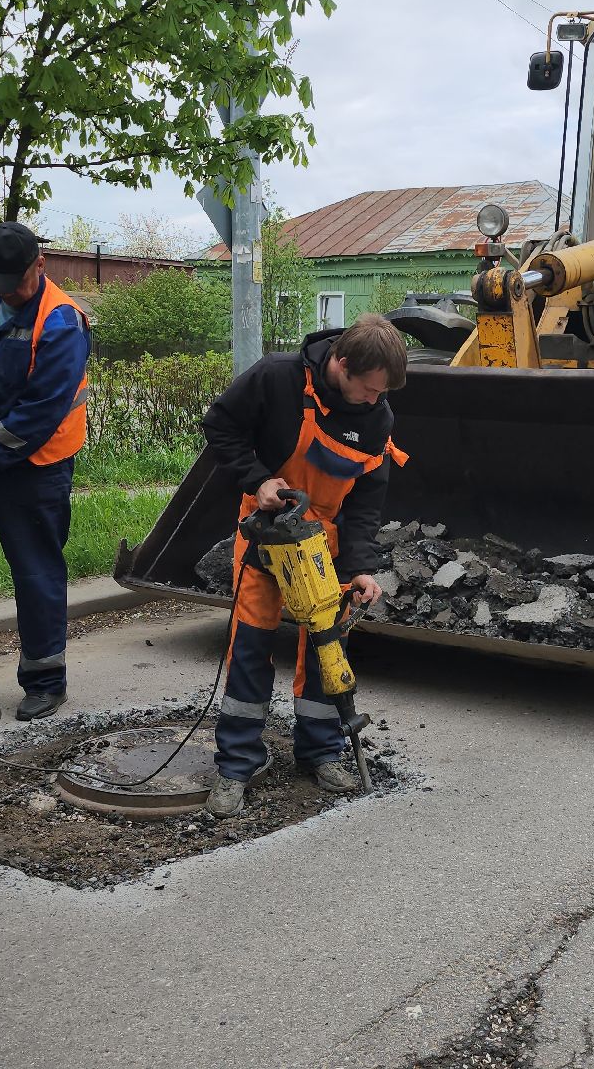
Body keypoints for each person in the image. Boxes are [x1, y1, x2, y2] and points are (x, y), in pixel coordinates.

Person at [198, 313, 410, 818]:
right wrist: (258, 480)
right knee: (251, 647)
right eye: (368, 389)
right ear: (341, 364)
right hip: (266, 534)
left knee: (325, 653)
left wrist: (359, 567)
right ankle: (236, 765)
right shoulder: (278, 378)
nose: (374, 400)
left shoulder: (377, 419)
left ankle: (320, 751)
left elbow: (366, 502)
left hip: (326, 546)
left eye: (382, 393)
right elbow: (220, 425)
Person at [0, 221, 92, 721]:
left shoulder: (61, 321)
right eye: (0, 283)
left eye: (17, 281)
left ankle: (45, 681)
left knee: (35, 573)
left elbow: (41, 410)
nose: (8, 292)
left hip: (35, 469)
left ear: (40, 264)